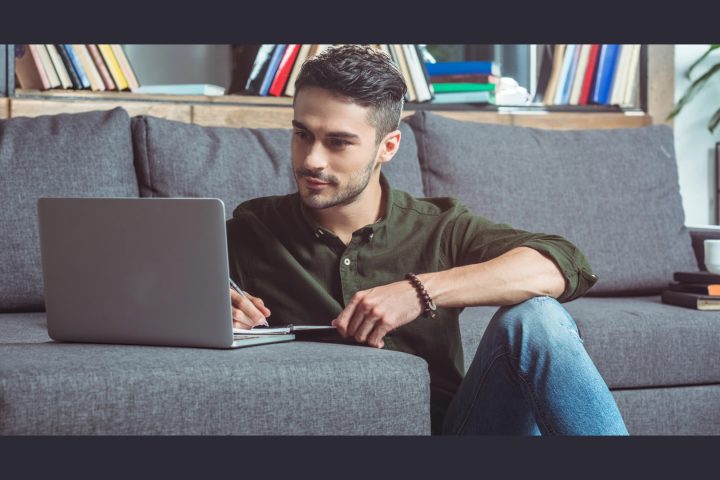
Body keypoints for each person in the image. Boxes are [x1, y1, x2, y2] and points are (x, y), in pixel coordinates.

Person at [225, 44, 628, 435]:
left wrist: (420, 291)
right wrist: (218, 319)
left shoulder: (440, 226)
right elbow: (167, 296)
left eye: (338, 142)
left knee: (537, 318)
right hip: (315, 426)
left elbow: (564, 263)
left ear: (388, 146)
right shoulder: (252, 228)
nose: (312, 159)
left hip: (456, 432)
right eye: (302, 134)